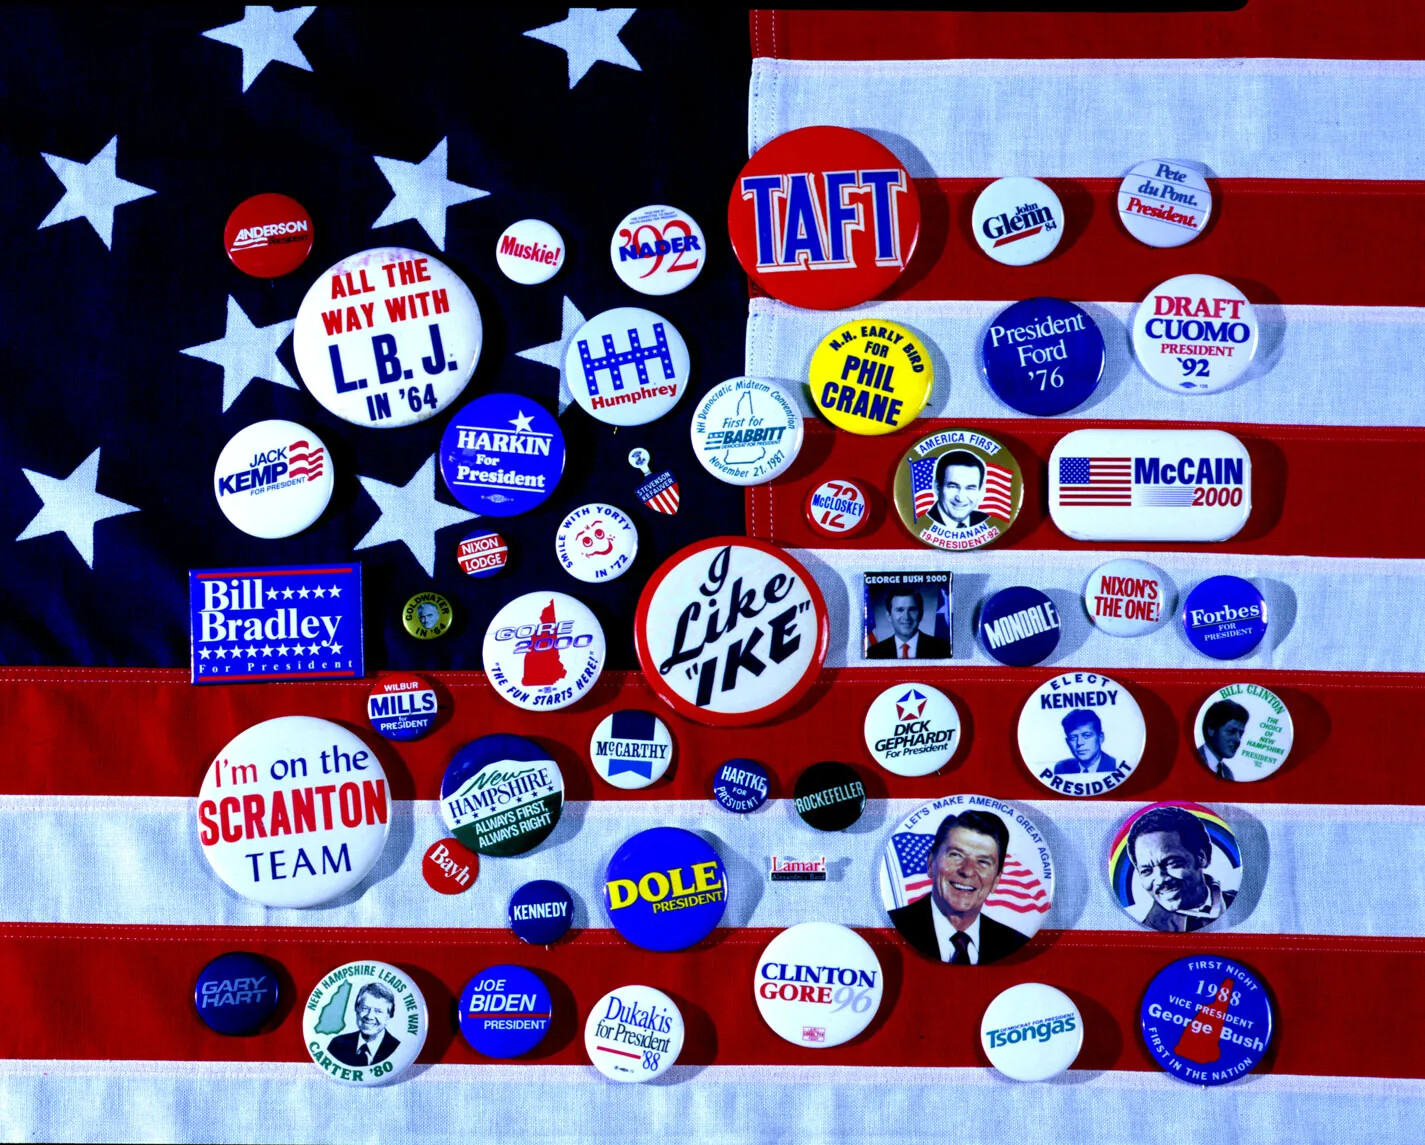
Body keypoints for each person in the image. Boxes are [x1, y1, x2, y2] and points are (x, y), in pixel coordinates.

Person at [888, 810, 1030, 964]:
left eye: (983, 862)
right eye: (956, 855)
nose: (967, 871)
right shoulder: (892, 927)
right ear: (930, 864)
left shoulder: (1016, 944)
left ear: (996, 880)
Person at [1126, 805, 1236, 933]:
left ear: (1202, 857)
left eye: (1172, 863)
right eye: (1146, 871)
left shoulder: (1239, 903)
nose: (1160, 880)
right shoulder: (1147, 930)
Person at [327, 982, 402, 1067]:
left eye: (378, 1011)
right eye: (365, 1008)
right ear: (357, 1009)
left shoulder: (399, 1049)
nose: (370, 1016)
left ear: (389, 1016)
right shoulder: (337, 1045)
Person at [866, 589, 950, 659]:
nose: (906, 617)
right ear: (889, 616)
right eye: (900, 610)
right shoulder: (874, 652)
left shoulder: (943, 649)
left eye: (912, 610)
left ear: (921, 614)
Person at [924, 450, 988, 530]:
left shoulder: (985, 521)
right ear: (937, 487)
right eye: (953, 486)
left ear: (980, 491)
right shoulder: (922, 524)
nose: (961, 498)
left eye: (970, 488)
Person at [1051, 710, 1119, 775]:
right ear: (1068, 742)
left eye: (1087, 735)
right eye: (1073, 737)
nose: (1079, 743)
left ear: (1101, 738)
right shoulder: (1062, 768)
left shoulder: (1116, 766)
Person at [1198, 699, 1249, 781]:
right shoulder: (1191, 761)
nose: (1238, 739)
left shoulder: (1228, 774)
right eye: (1231, 731)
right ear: (1211, 730)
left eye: (1241, 733)